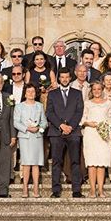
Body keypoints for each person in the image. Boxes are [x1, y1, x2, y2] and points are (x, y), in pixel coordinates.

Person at [46, 68, 84, 198]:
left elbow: (79, 111)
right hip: (56, 132)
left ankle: (77, 190)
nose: (64, 79)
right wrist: (61, 125)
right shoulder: (52, 94)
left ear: (70, 78)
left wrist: (71, 126)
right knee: (56, 162)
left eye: (67, 77)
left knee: (75, 161)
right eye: (62, 77)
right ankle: (56, 190)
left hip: (73, 132)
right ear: (58, 79)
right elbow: (49, 112)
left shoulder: (77, 93)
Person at [14, 82, 47, 197]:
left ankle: (36, 189)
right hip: (25, 137)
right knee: (26, 163)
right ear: (25, 93)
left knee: (36, 163)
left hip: (37, 137)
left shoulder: (39, 106)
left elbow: (44, 122)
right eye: (28, 91)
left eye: (33, 91)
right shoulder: (19, 106)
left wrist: (39, 128)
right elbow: (16, 122)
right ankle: (25, 188)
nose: (31, 93)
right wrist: (27, 128)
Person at [81, 80, 111, 198]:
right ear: (91, 91)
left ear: (102, 89)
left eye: (99, 89)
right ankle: (92, 190)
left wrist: (106, 128)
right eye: (94, 89)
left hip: (103, 135)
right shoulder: (87, 103)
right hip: (91, 134)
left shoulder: (109, 103)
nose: (97, 91)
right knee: (92, 163)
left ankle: (100, 189)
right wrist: (89, 123)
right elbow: (82, 119)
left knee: (101, 163)